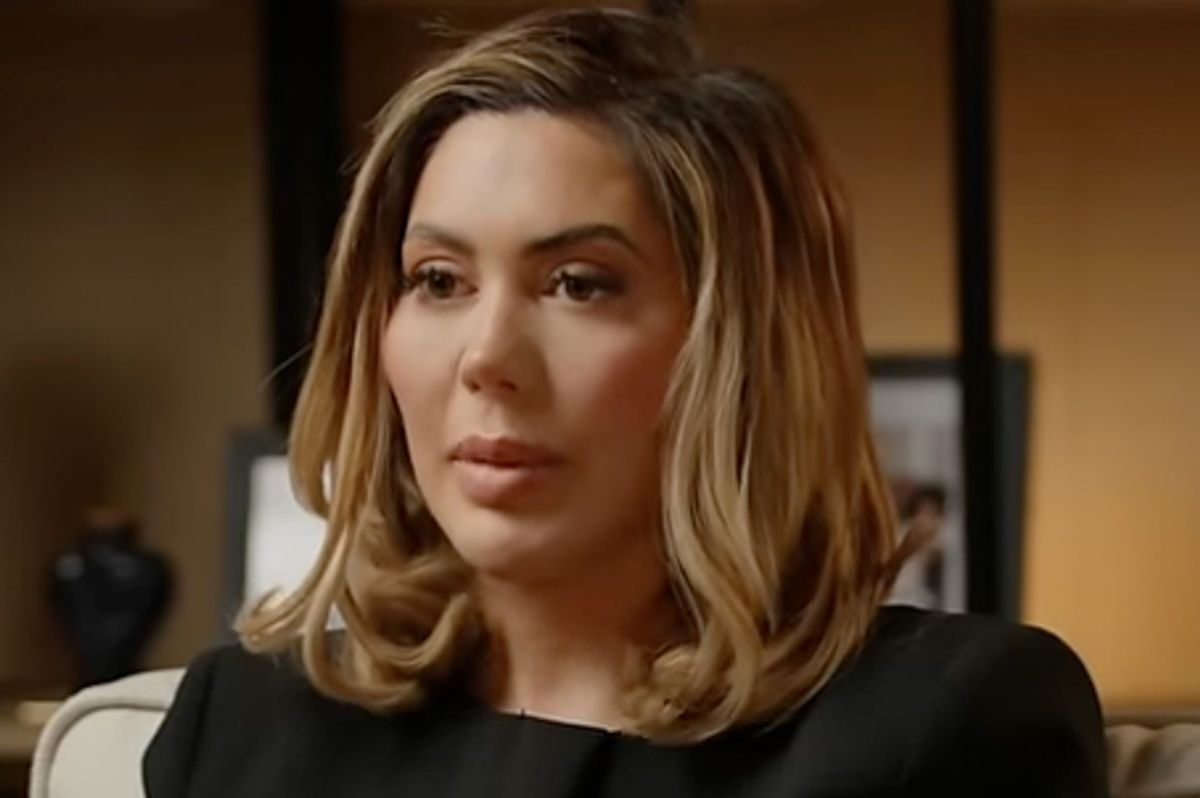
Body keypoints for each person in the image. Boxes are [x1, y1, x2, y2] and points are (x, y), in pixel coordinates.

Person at [143, 7, 1109, 796]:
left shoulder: (948, 722)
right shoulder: (239, 726)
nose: (487, 358)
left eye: (578, 284)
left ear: (735, 347)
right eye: (438, 280)